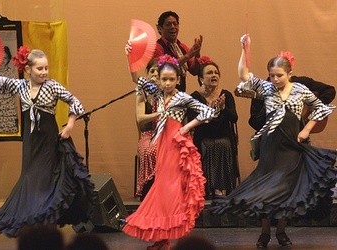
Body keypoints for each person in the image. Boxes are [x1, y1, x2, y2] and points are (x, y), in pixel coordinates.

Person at [210, 34, 337, 248]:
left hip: (292, 146)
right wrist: (244, 49)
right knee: (267, 188)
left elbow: (321, 108)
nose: (275, 79)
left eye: (279, 75)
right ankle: (265, 232)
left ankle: (281, 231)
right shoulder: (267, 89)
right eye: (271, 75)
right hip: (271, 146)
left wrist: (307, 129)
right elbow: (243, 76)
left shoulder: (300, 90)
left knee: (285, 189)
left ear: (290, 74)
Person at [0, 44, 96, 238]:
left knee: (46, 183)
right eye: (40, 68)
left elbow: (75, 102)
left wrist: (70, 124)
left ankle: (48, 227)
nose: (44, 72)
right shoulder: (21, 86)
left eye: (46, 68)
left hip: (48, 143)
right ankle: (35, 227)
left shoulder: (52, 86)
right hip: (31, 143)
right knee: (31, 181)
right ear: (28, 69)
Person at [124, 42, 220, 249]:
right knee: (162, 190)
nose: (167, 83)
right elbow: (135, 78)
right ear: (158, 79)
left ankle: (165, 237)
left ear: (178, 79)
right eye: (164, 79)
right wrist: (130, 57)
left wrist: (186, 128)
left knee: (171, 189)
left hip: (177, 145)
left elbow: (209, 113)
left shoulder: (182, 97)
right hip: (162, 145)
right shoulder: (158, 94)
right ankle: (163, 238)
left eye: (171, 79)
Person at [188, 56, 239, 198]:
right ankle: (209, 188)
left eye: (216, 72)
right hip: (204, 136)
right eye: (209, 73)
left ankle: (221, 189)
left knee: (222, 144)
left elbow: (234, 118)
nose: (214, 75)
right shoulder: (195, 97)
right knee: (210, 145)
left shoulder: (226, 95)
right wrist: (208, 112)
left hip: (223, 136)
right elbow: (193, 121)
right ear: (201, 78)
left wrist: (222, 108)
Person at [246, 51, 336, 132]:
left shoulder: (301, 83)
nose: (276, 79)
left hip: (298, 138)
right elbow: (254, 122)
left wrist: (313, 104)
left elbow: (329, 90)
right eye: (272, 75)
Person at [154, 11, 202, 92]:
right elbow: (164, 68)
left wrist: (196, 57)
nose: (173, 27)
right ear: (159, 28)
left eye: (175, 24)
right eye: (168, 24)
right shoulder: (157, 47)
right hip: (163, 94)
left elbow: (194, 71)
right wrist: (187, 56)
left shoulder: (182, 47)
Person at [135, 58, 160, 201]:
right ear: (147, 73)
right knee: (152, 149)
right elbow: (140, 118)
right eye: (152, 71)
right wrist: (158, 114)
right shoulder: (142, 92)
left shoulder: (168, 92)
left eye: (158, 71)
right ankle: (149, 188)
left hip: (165, 133)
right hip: (148, 134)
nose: (155, 74)